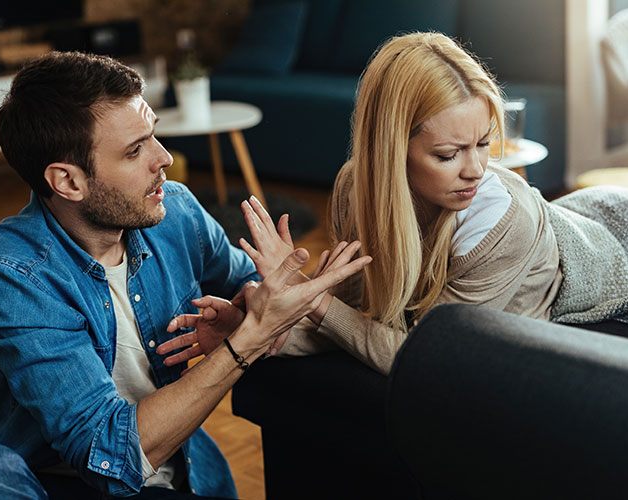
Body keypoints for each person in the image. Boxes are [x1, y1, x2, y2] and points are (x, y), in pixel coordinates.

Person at [0, 51, 371, 499]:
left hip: (173, 476)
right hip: (60, 483)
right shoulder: (12, 276)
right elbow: (109, 454)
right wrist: (247, 340)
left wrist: (267, 300)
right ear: (68, 182)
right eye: (135, 150)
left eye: (153, 136)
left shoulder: (176, 211)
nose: (164, 158)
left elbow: (255, 292)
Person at [228, 32, 628, 376]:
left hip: (612, 243)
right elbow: (354, 315)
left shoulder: (501, 224)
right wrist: (253, 332)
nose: (475, 169)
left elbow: (425, 354)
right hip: (580, 214)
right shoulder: (356, 187)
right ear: (392, 150)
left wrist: (311, 295)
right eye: (448, 154)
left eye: (484, 144)